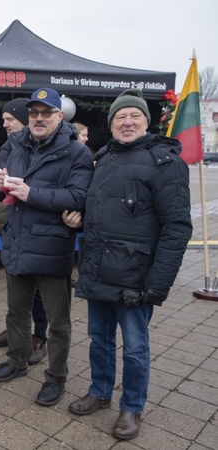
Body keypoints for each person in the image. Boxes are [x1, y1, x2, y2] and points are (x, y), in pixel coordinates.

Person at [64, 89, 192, 440]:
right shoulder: (103, 158)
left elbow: (177, 227)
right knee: (98, 339)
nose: (127, 121)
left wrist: (157, 284)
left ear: (147, 123)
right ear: (112, 123)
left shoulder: (165, 162)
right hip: (97, 268)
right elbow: (103, 207)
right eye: (120, 117)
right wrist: (79, 219)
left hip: (135, 278)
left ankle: (132, 407)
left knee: (135, 347)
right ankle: (100, 392)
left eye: (134, 116)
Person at [0, 88, 93, 408]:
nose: (39, 119)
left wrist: (30, 192)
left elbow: (78, 197)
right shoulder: (16, 146)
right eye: (34, 113)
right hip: (18, 242)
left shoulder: (77, 153)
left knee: (58, 323)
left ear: (60, 117)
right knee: (15, 313)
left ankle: (56, 378)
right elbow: (4, 191)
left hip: (51, 247)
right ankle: (17, 361)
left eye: (46, 113)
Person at [0, 98, 48, 366]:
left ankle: (39, 337)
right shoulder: (6, 148)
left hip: (33, 232)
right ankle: (15, 332)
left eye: (10, 119)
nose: (5, 123)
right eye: (4, 119)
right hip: (9, 230)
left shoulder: (38, 149)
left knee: (39, 291)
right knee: (15, 288)